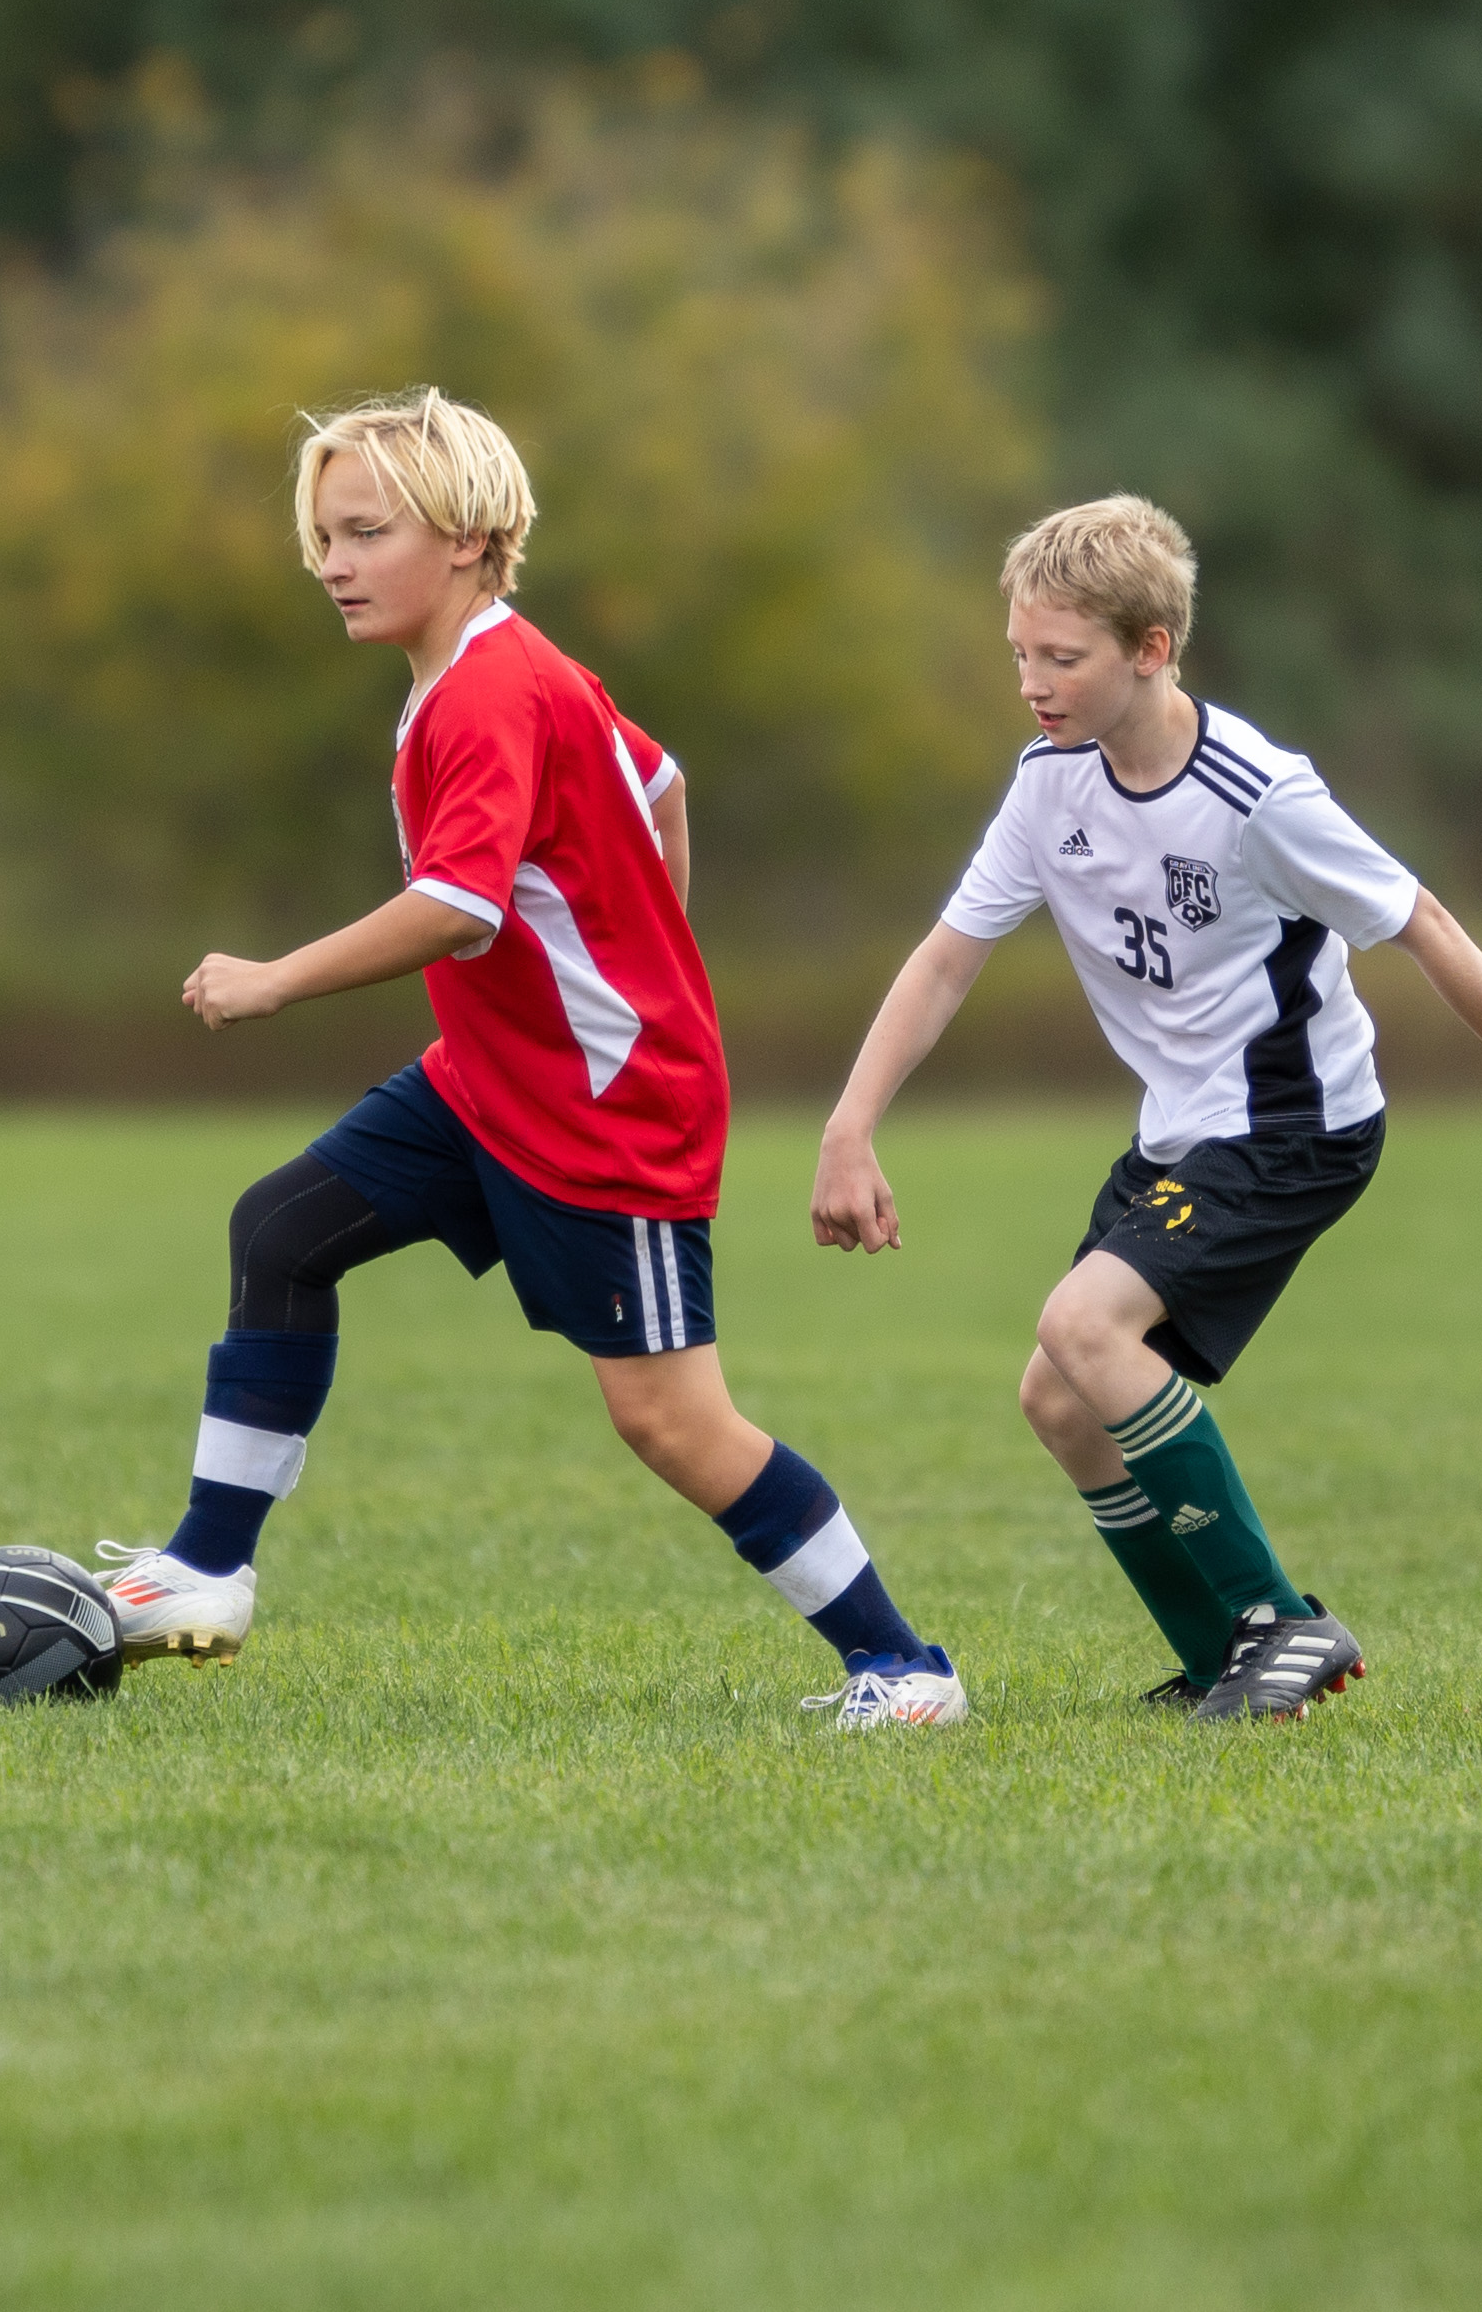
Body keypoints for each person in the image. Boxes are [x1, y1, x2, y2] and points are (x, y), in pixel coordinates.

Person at [89, 388, 968, 1731]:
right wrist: (640, 946)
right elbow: (660, 785)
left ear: (466, 538)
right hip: (489, 1078)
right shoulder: (487, 669)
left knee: (672, 1423)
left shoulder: (490, 688)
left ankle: (904, 1669)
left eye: (365, 532)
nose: (331, 562)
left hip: (606, 1112)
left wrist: (277, 977)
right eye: (322, 535)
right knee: (280, 1230)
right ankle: (207, 1571)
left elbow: (461, 907)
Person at [810, 495, 1482, 1721]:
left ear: (1151, 649)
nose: (1031, 683)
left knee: (1084, 1325)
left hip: (1295, 1126)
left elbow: (1422, 921)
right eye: (1020, 654)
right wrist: (849, 1125)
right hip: (1181, 1131)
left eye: (1061, 658)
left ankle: (1279, 1623)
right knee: (1057, 1395)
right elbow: (943, 962)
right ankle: (1221, 1658)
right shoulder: (1048, 786)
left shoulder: (1257, 794)